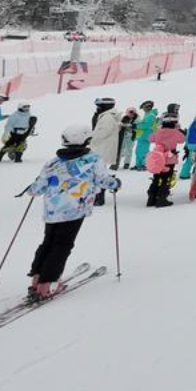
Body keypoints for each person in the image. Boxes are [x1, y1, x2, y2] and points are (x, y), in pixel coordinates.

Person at [25, 125, 120, 300]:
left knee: (48, 242)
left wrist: (32, 189)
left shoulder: (53, 162)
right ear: (86, 140)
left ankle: (37, 279)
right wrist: (115, 183)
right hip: (75, 209)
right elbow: (102, 180)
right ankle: (47, 283)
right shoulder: (93, 159)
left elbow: (38, 187)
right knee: (62, 244)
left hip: (53, 210)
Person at [146, 113, 185, 207]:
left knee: (156, 177)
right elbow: (182, 140)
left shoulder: (158, 132)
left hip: (158, 159)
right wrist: (179, 129)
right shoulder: (175, 132)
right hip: (170, 159)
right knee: (166, 178)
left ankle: (151, 198)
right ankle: (162, 198)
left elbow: (150, 138)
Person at [90, 99, 122, 204]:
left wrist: (90, 140)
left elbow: (102, 133)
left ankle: (99, 197)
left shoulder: (107, 118)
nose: (97, 108)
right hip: (102, 148)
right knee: (100, 172)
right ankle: (98, 196)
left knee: (99, 173)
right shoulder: (106, 116)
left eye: (99, 106)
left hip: (102, 149)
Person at [133, 101, 157, 170]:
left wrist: (136, 126)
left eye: (143, 107)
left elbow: (146, 125)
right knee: (138, 151)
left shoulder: (150, 115)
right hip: (142, 135)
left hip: (146, 135)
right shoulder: (147, 114)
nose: (143, 109)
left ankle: (144, 164)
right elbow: (144, 123)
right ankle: (138, 164)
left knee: (143, 151)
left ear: (148, 107)